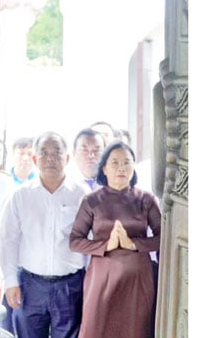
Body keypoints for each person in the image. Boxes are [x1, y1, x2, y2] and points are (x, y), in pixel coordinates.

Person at [0, 132, 88, 338]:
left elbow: (90, 239)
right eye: (44, 153)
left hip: (71, 285)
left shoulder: (81, 195)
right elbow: (7, 240)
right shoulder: (21, 196)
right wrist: (11, 281)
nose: (50, 158)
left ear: (66, 158)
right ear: (34, 159)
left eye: (57, 152)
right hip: (30, 285)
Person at [69, 141, 161, 338]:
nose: (121, 168)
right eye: (115, 163)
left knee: (135, 330)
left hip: (138, 279)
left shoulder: (146, 199)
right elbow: (75, 241)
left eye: (127, 162)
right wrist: (106, 245)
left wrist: (134, 244)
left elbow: (164, 239)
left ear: (134, 167)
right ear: (104, 168)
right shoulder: (92, 200)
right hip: (102, 278)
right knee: (96, 329)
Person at [0, 137, 36, 335]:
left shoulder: (40, 184)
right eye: (21, 153)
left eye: (30, 154)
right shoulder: (3, 183)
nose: (25, 158)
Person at [70, 128, 105, 193]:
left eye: (96, 150)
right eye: (85, 150)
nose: (91, 156)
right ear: (74, 154)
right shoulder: (66, 183)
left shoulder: (112, 183)